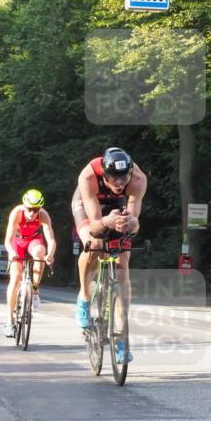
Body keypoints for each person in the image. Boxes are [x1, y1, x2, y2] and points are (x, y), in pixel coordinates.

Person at [71, 147, 147, 363]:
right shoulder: (88, 177)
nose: (120, 183)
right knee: (94, 243)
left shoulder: (138, 179)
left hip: (117, 205)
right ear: (104, 174)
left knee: (123, 264)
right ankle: (85, 297)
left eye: (124, 178)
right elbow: (96, 225)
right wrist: (106, 221)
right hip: (89, 204)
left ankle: (121, 339)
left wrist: (131, 223)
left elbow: (134, 224)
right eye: (114, 178)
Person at [3, 189, 56, 337]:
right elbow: (8, 239)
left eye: (36, 209)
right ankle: (9, 320)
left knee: (40, 253)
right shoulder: (17, 213)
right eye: (29, 209)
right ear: (24, 205)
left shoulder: (43, 215)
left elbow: (51, 239)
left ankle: (34, 290)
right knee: (15, 277)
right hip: (17, 242)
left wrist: (50, 254)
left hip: (34, 240)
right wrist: (11, 252)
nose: (32, 213)